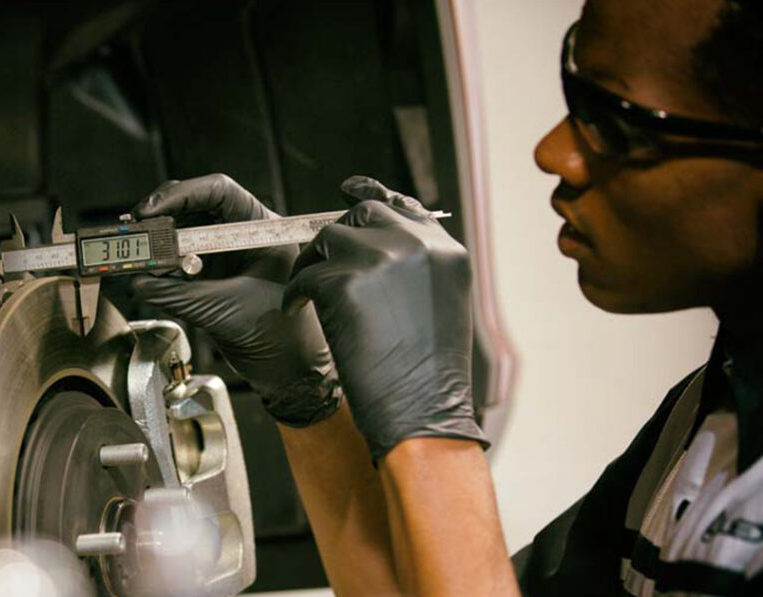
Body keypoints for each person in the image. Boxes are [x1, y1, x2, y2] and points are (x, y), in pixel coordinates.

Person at [129, 0, 763, 595]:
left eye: (618, 125)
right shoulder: (710, 412)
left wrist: (431, 426)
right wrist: (311, 396)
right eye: (575, 97)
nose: (553, 152)